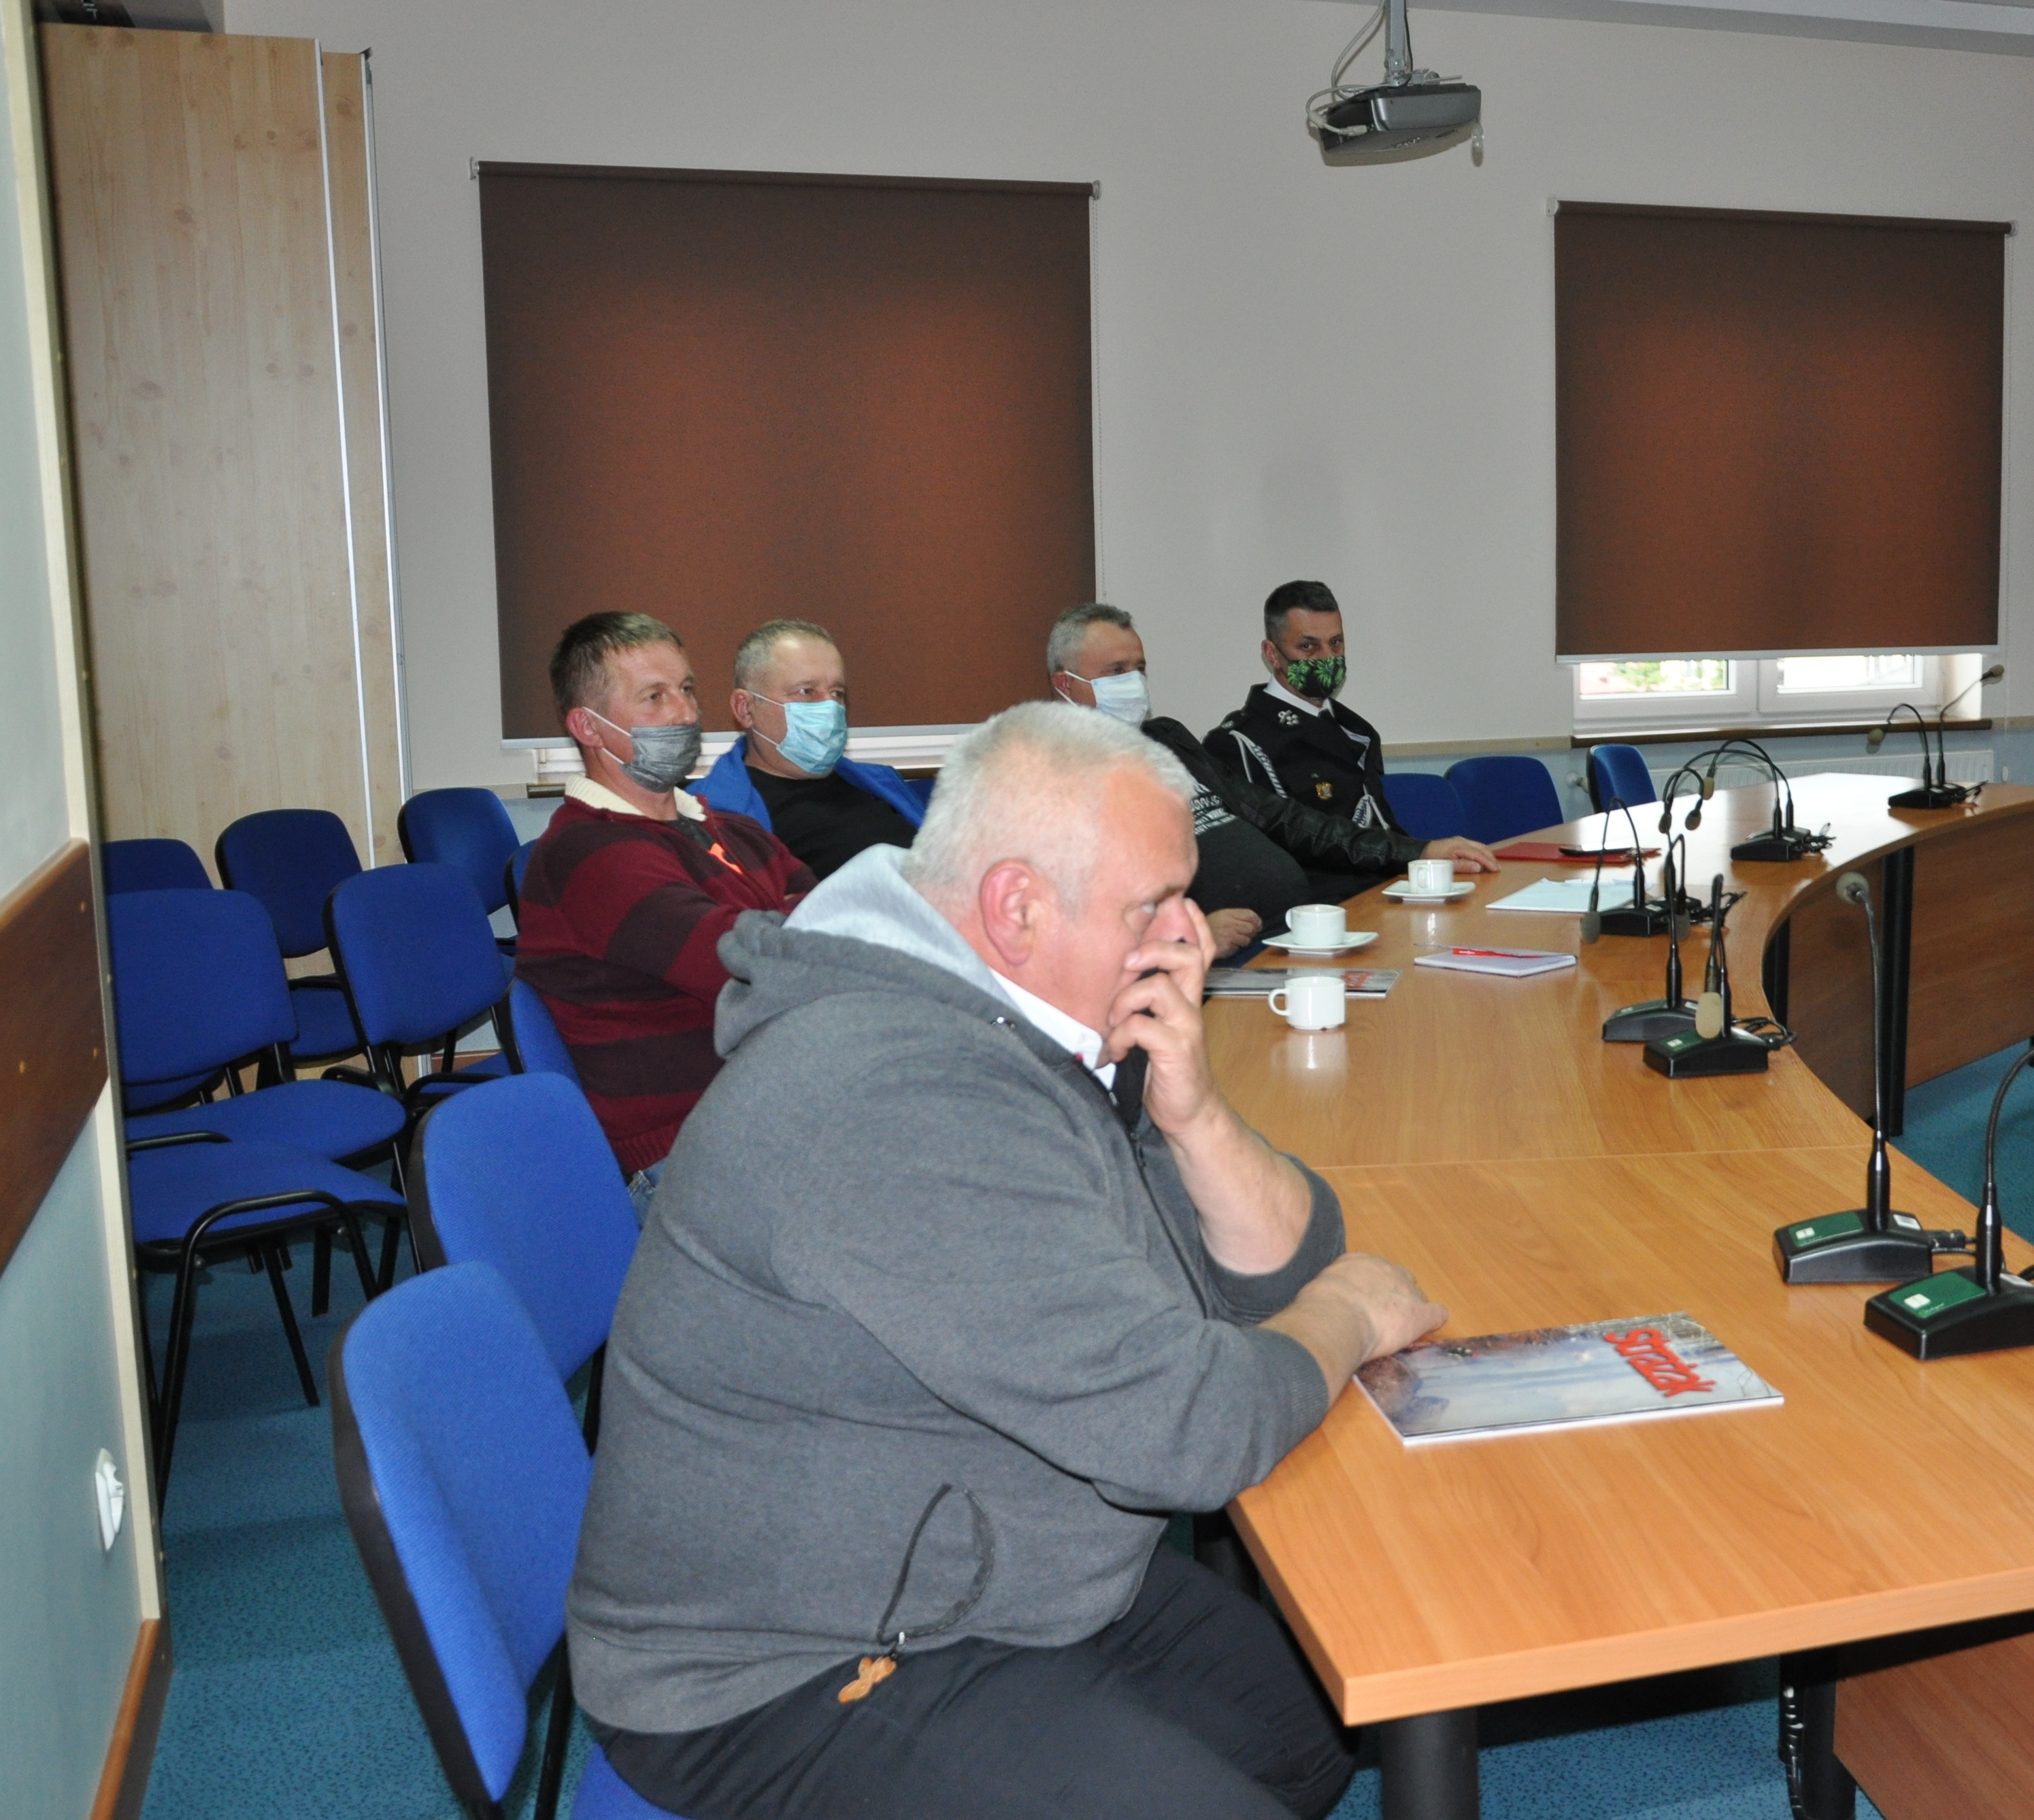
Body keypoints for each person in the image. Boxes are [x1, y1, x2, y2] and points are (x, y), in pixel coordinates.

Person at [568, 701, 1447, 1820]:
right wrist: (1354, 1316)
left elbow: (1274, 1272)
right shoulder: (894, 1098)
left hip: (990, 1565)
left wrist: (1194, 1116)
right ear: (1017, 906)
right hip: (784, 1665)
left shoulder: (1013, 1021)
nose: (1186, 935)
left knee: (1311, 1730)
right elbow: (1191, 1428)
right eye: (1152, 904)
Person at [516, 611, 810, 1203]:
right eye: (654, 697)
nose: (685, 713)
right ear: (588, 727)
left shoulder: (733, 829)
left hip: (777, 1102)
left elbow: (831, 924)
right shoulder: (588, 853)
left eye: (687, 689)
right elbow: (753, 965)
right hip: (691, 1148)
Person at [1046, 602, 1493, 943]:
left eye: (1139, 668)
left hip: (1296, 932)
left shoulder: (1166, 739)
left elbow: (1283, 818)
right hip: (1216, 959)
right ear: (1066, 684)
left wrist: (1420, 850)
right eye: (1116, 671)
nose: (1134, 682)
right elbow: (1078, 910)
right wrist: (1188, 933)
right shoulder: (1058, 778)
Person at [688, 618, 929, 879]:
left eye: (837, 693)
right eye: (806, 691)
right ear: (745, 709)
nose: (830, 708)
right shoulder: (714, 814)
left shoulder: (879, 783)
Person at [1205, 582, 1401, 861]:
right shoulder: (1238, 745)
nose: (1327, 658)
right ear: (1272, 654)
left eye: (1336, 643)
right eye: (1309, 646)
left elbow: (1382, 828)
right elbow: (1269, 854)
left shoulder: (1357, 731)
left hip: (1382, 878)